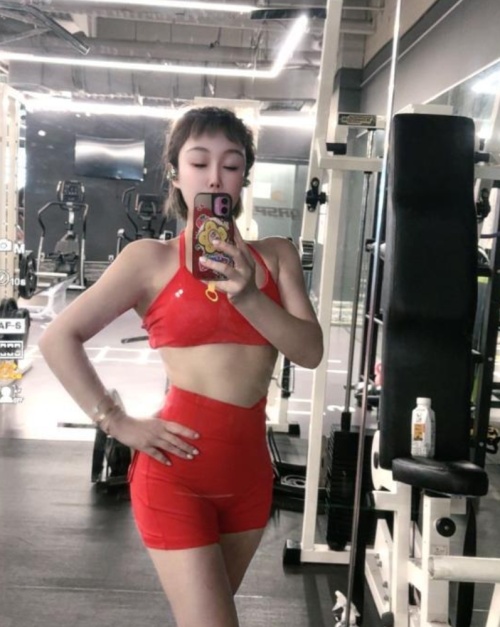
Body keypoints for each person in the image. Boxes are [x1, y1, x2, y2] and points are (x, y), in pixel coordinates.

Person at [39, 106, 323, 627]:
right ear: (175, 173)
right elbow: (59, 337)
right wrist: (115, 420)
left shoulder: (277, 257)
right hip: (176, 475)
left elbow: (309, 351)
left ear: (244, 177)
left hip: (249, 478)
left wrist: (248, 296)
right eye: (199, 162)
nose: (215, 177)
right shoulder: (149, 260)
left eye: (230, 165)